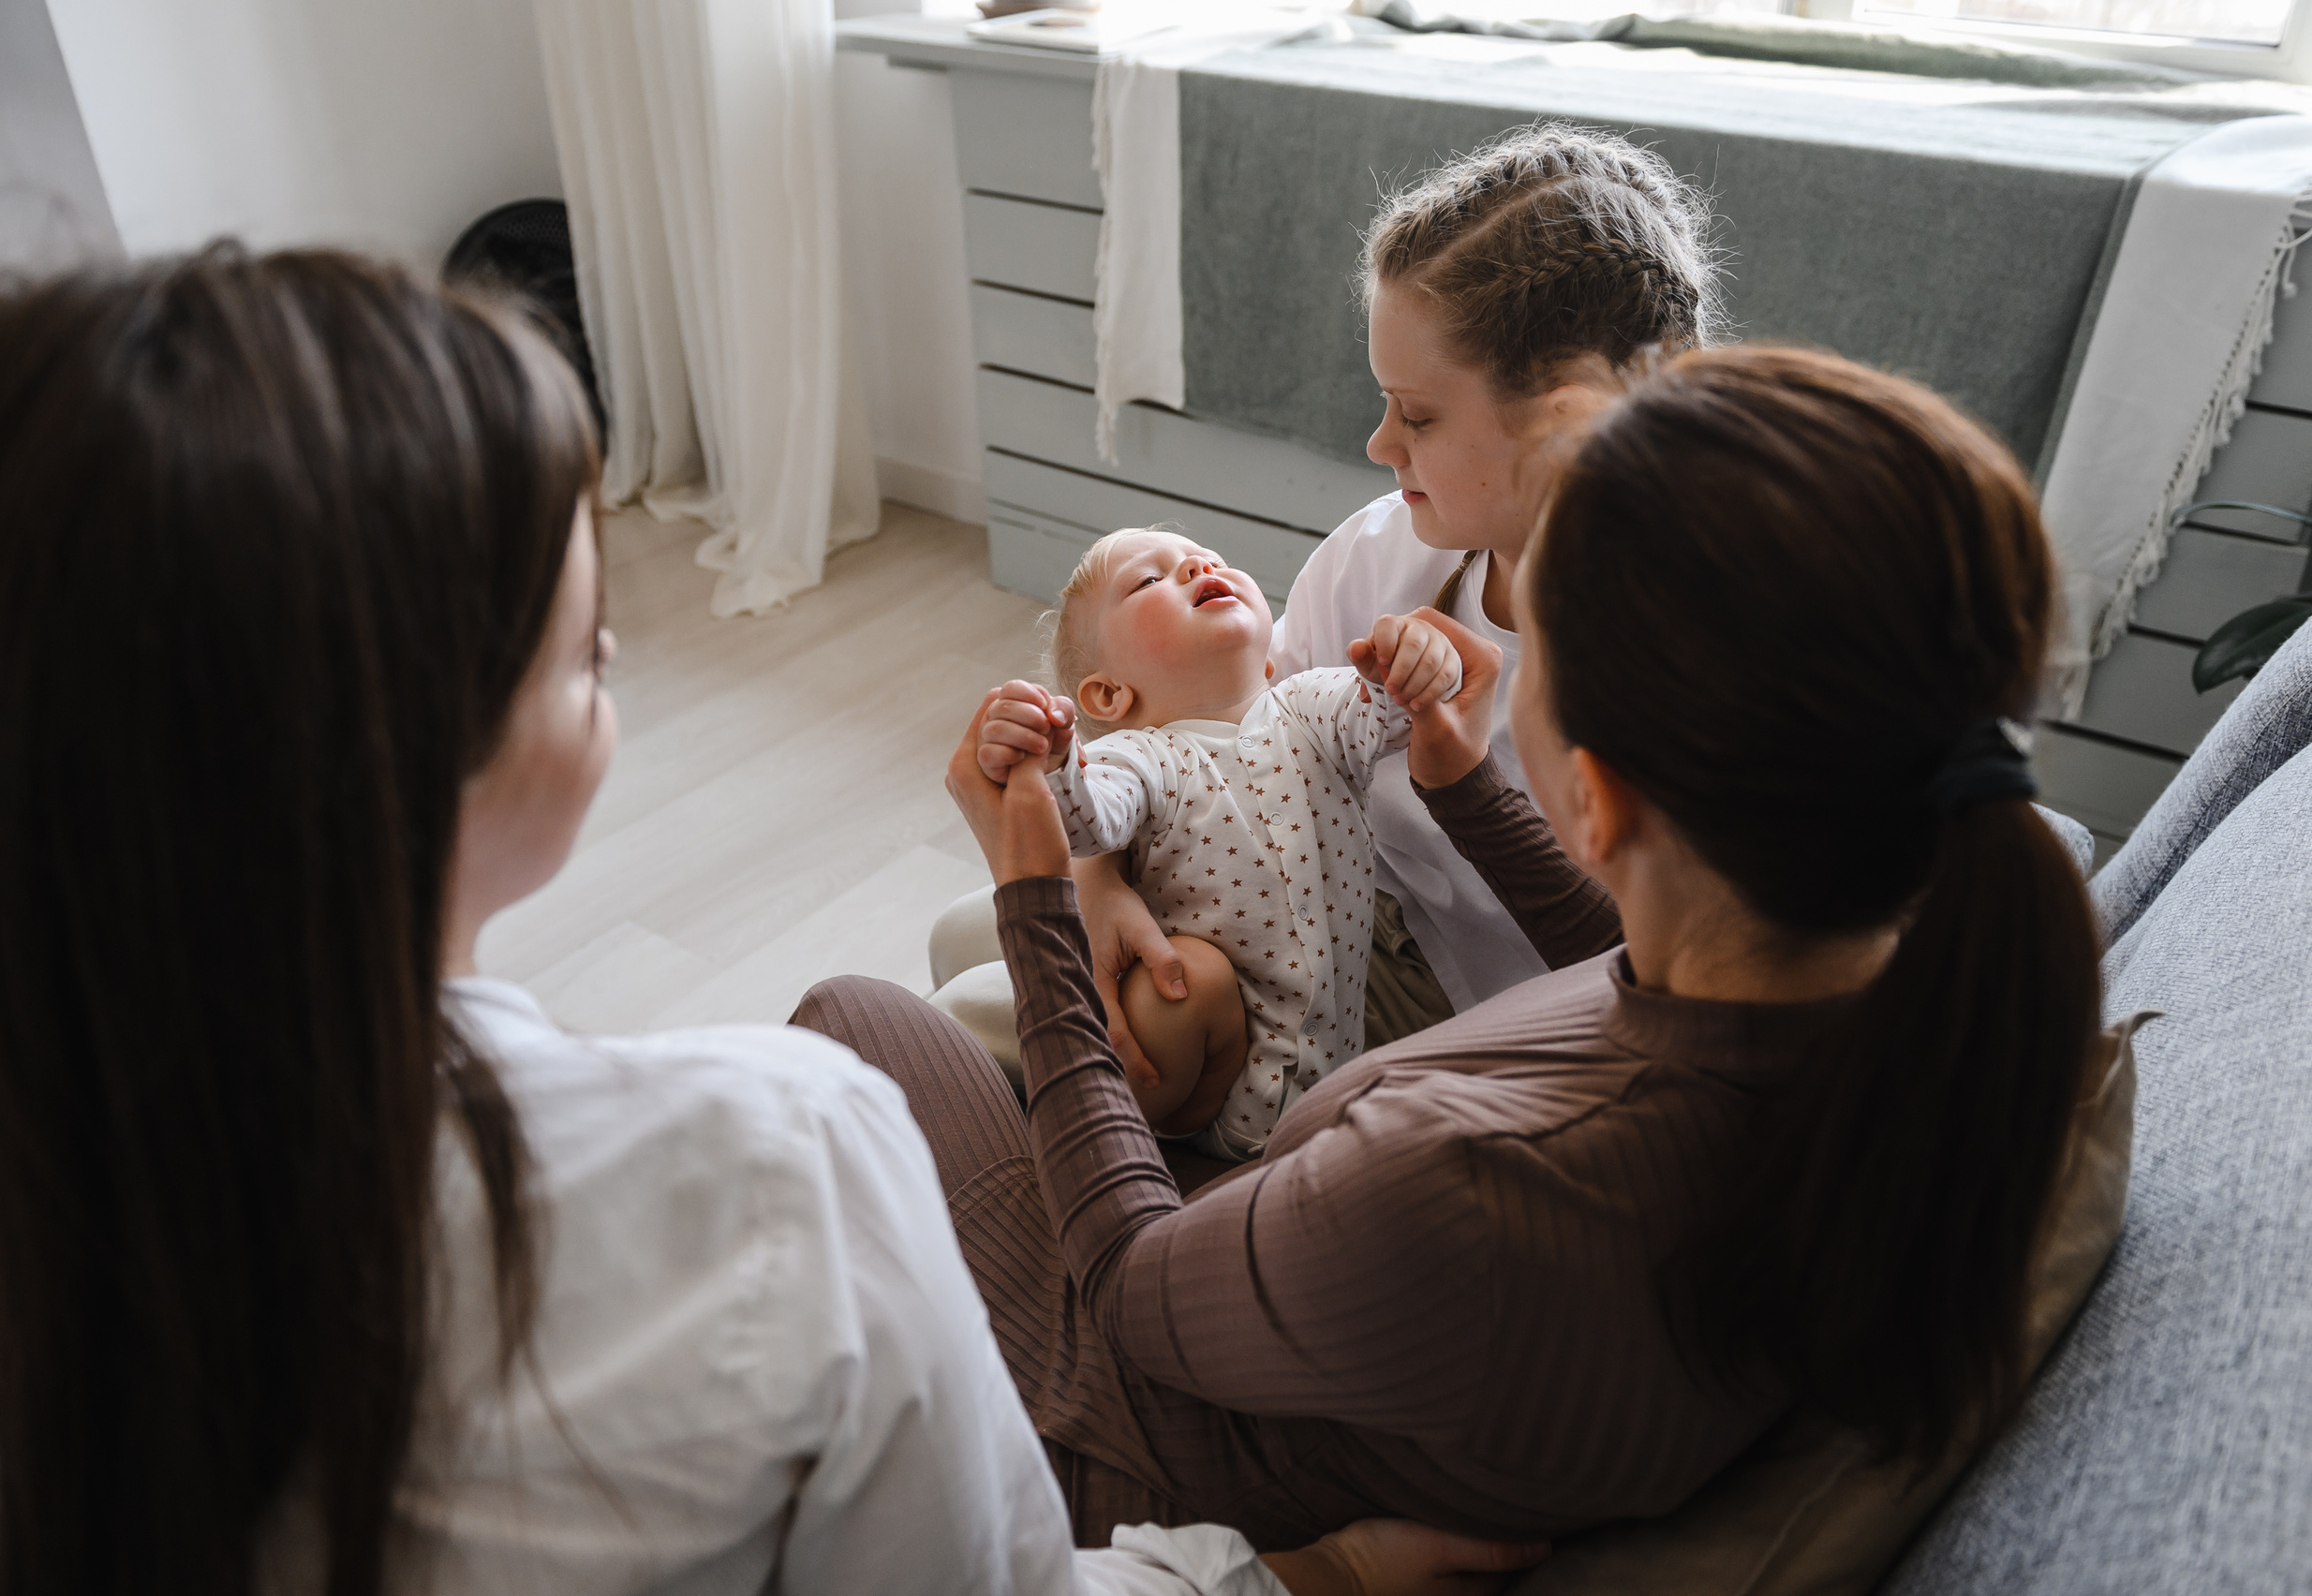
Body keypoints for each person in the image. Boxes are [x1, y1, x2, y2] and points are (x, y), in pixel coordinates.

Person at [0, 249, 1545, 1596]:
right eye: (582, 631)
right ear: (404, 745)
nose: (614, 640)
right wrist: (1306, 1571)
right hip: (1192, 1326)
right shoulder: (771, 1168)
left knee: (904, 980)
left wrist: (1095, 874)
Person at [798, 346, 2102, 1549]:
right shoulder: (1912, 946)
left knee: (854, 1017)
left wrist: (1034, 889)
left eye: (1530, 632)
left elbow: (1137, 1297)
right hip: (1348, 1325)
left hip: (1163, 1440)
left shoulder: (1476, 1183)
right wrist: (1470, 782)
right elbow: (1610, 969)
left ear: (1599, 800)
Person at [933, 122, 1718, 1071]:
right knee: (957, 935)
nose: (1379, 445)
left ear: (1563, 411)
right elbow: (1236, 752)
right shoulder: (1380, 550)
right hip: (1303, 883)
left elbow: (1644, 973)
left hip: (1450, 995)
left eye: (1418, 414)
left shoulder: (1670, 666)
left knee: (968, 1017)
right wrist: (1100, 878)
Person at [977, 525, 1461, 1155]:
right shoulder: (1142, 756)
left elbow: (1391, 713)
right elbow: (1085, 823)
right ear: (1109, 694)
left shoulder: (1308, 704)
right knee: (1184, 981)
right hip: (1215, 1087)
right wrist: (1053, 755)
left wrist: (1420, 662)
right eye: (1149, 580)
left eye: (1209, 559)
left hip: (1338, 1073)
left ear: (1266, 657)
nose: (1197, 565)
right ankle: (1107, 1129)